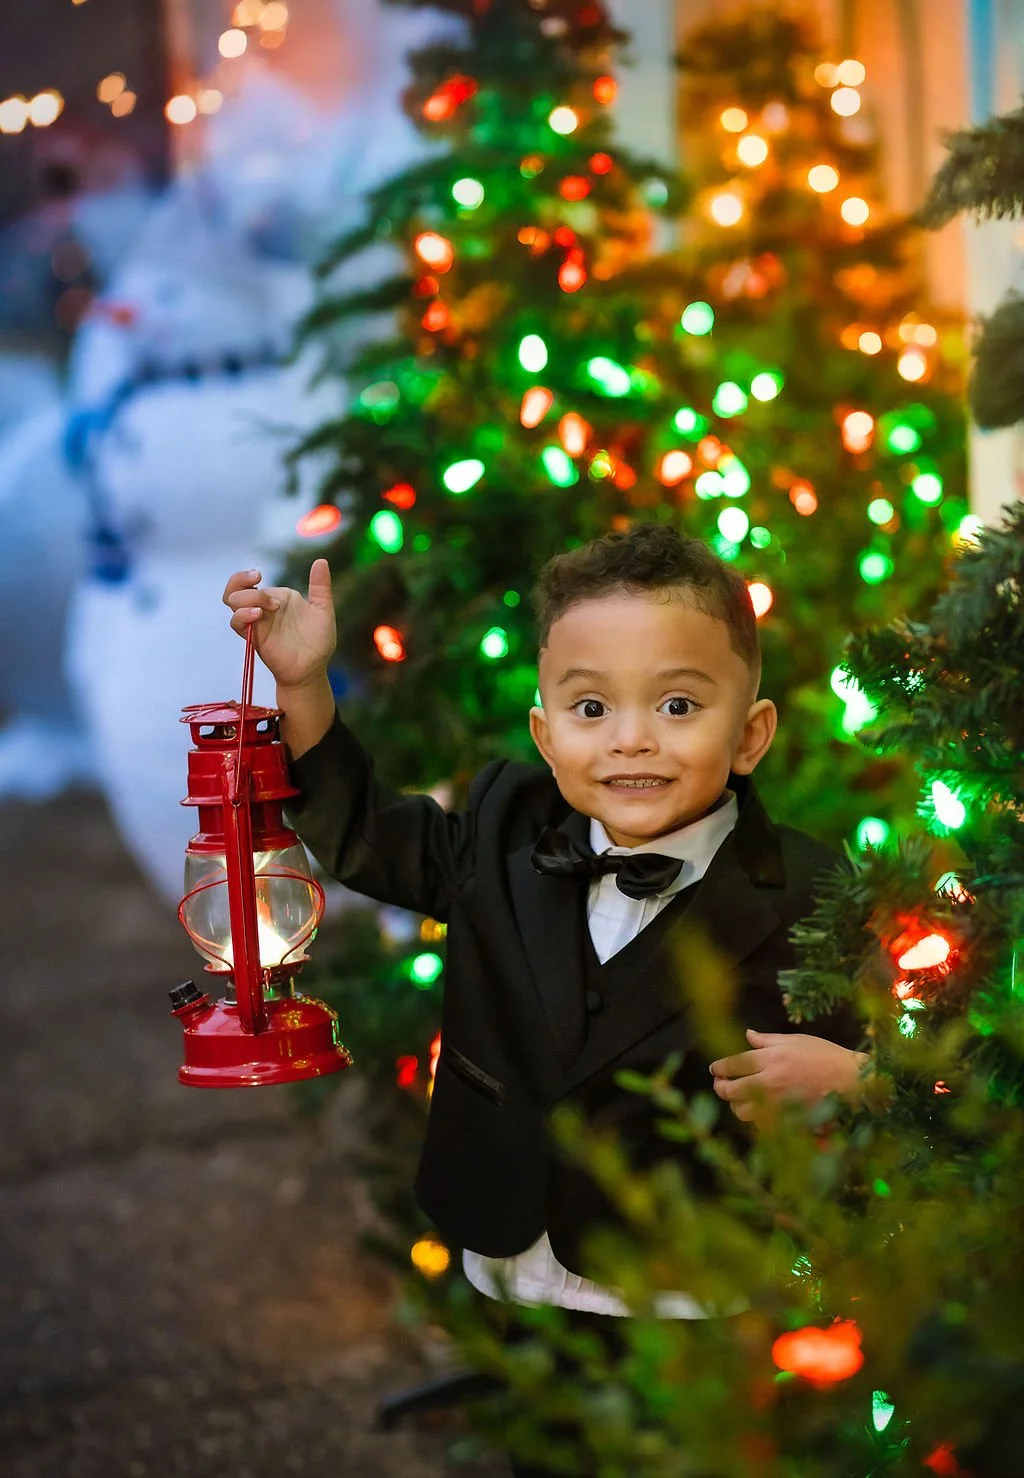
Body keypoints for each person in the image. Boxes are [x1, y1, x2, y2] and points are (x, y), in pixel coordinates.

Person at [223, 524, 867, 1477]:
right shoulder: (504, 825)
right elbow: (364, 837)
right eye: (592, 706)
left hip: (683, 1280)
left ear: (751, 734)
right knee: (542, 1451)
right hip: (514, 1243)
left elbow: (901, 1056)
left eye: (679, 704)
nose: (631, 738)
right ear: (545, 733)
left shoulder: (807, 888)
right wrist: (305, 688)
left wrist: (855, 1076)